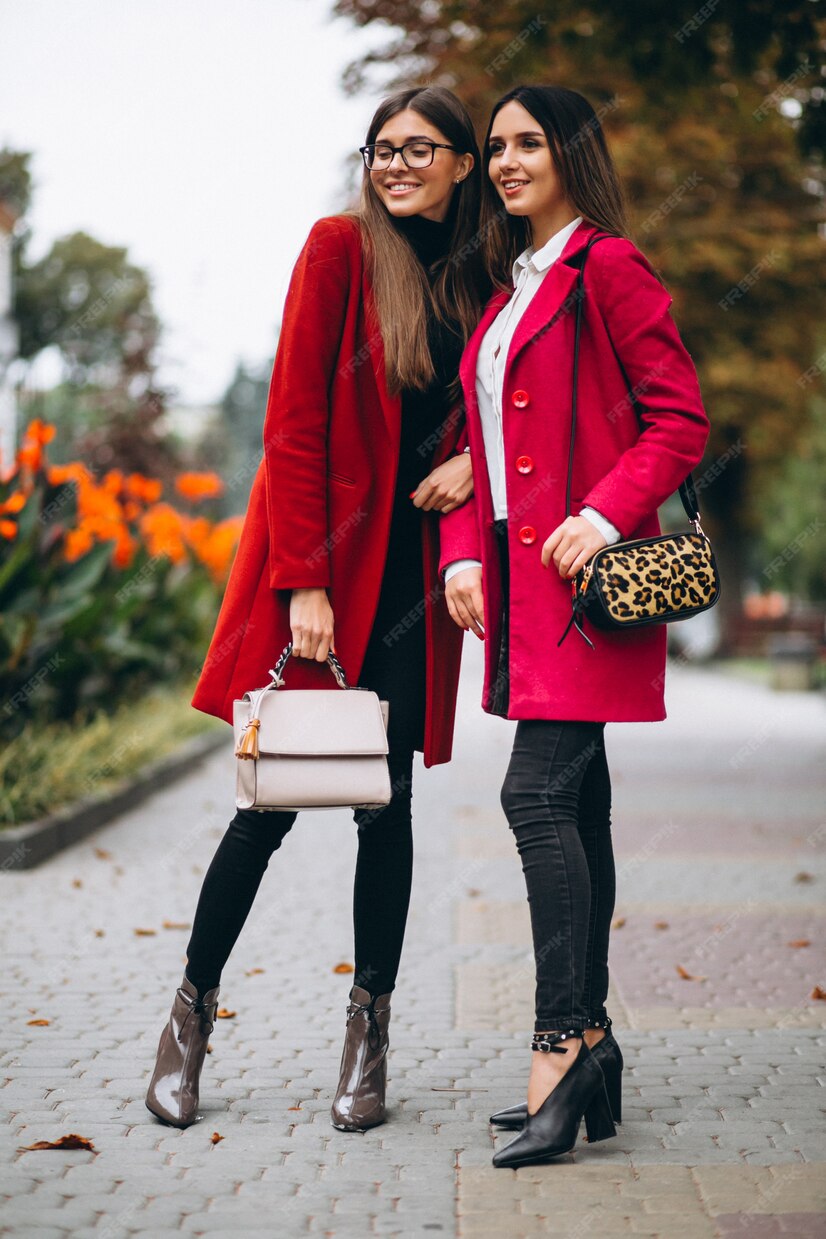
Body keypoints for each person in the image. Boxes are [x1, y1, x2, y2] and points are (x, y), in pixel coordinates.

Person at [145, 85, 488, 1133]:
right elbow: (292, 420)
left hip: (412, 585)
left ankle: (368, 1034)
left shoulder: (484, 273)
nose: (393, 165)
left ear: (463, 164)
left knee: (385, 810)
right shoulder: (340, 249)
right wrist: (300, 581)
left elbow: (500, 403)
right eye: (380, 148)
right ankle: (187, 1019)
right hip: (328, 579)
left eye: (417, 149)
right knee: (272, 802)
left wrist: (477, 463)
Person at [440, 84, 710, 1169]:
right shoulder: (506, 291)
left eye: (527, 144)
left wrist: (600, 515)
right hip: (517, 592)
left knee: (533, 792)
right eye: (495, 147)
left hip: (585, 589)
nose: (505, 162)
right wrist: (462, 549)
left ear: (570, 154)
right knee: (579, 803)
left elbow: (678, 416)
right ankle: (591, 1040)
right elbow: (478, 444)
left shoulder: (610, 267)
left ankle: (560, 1044)